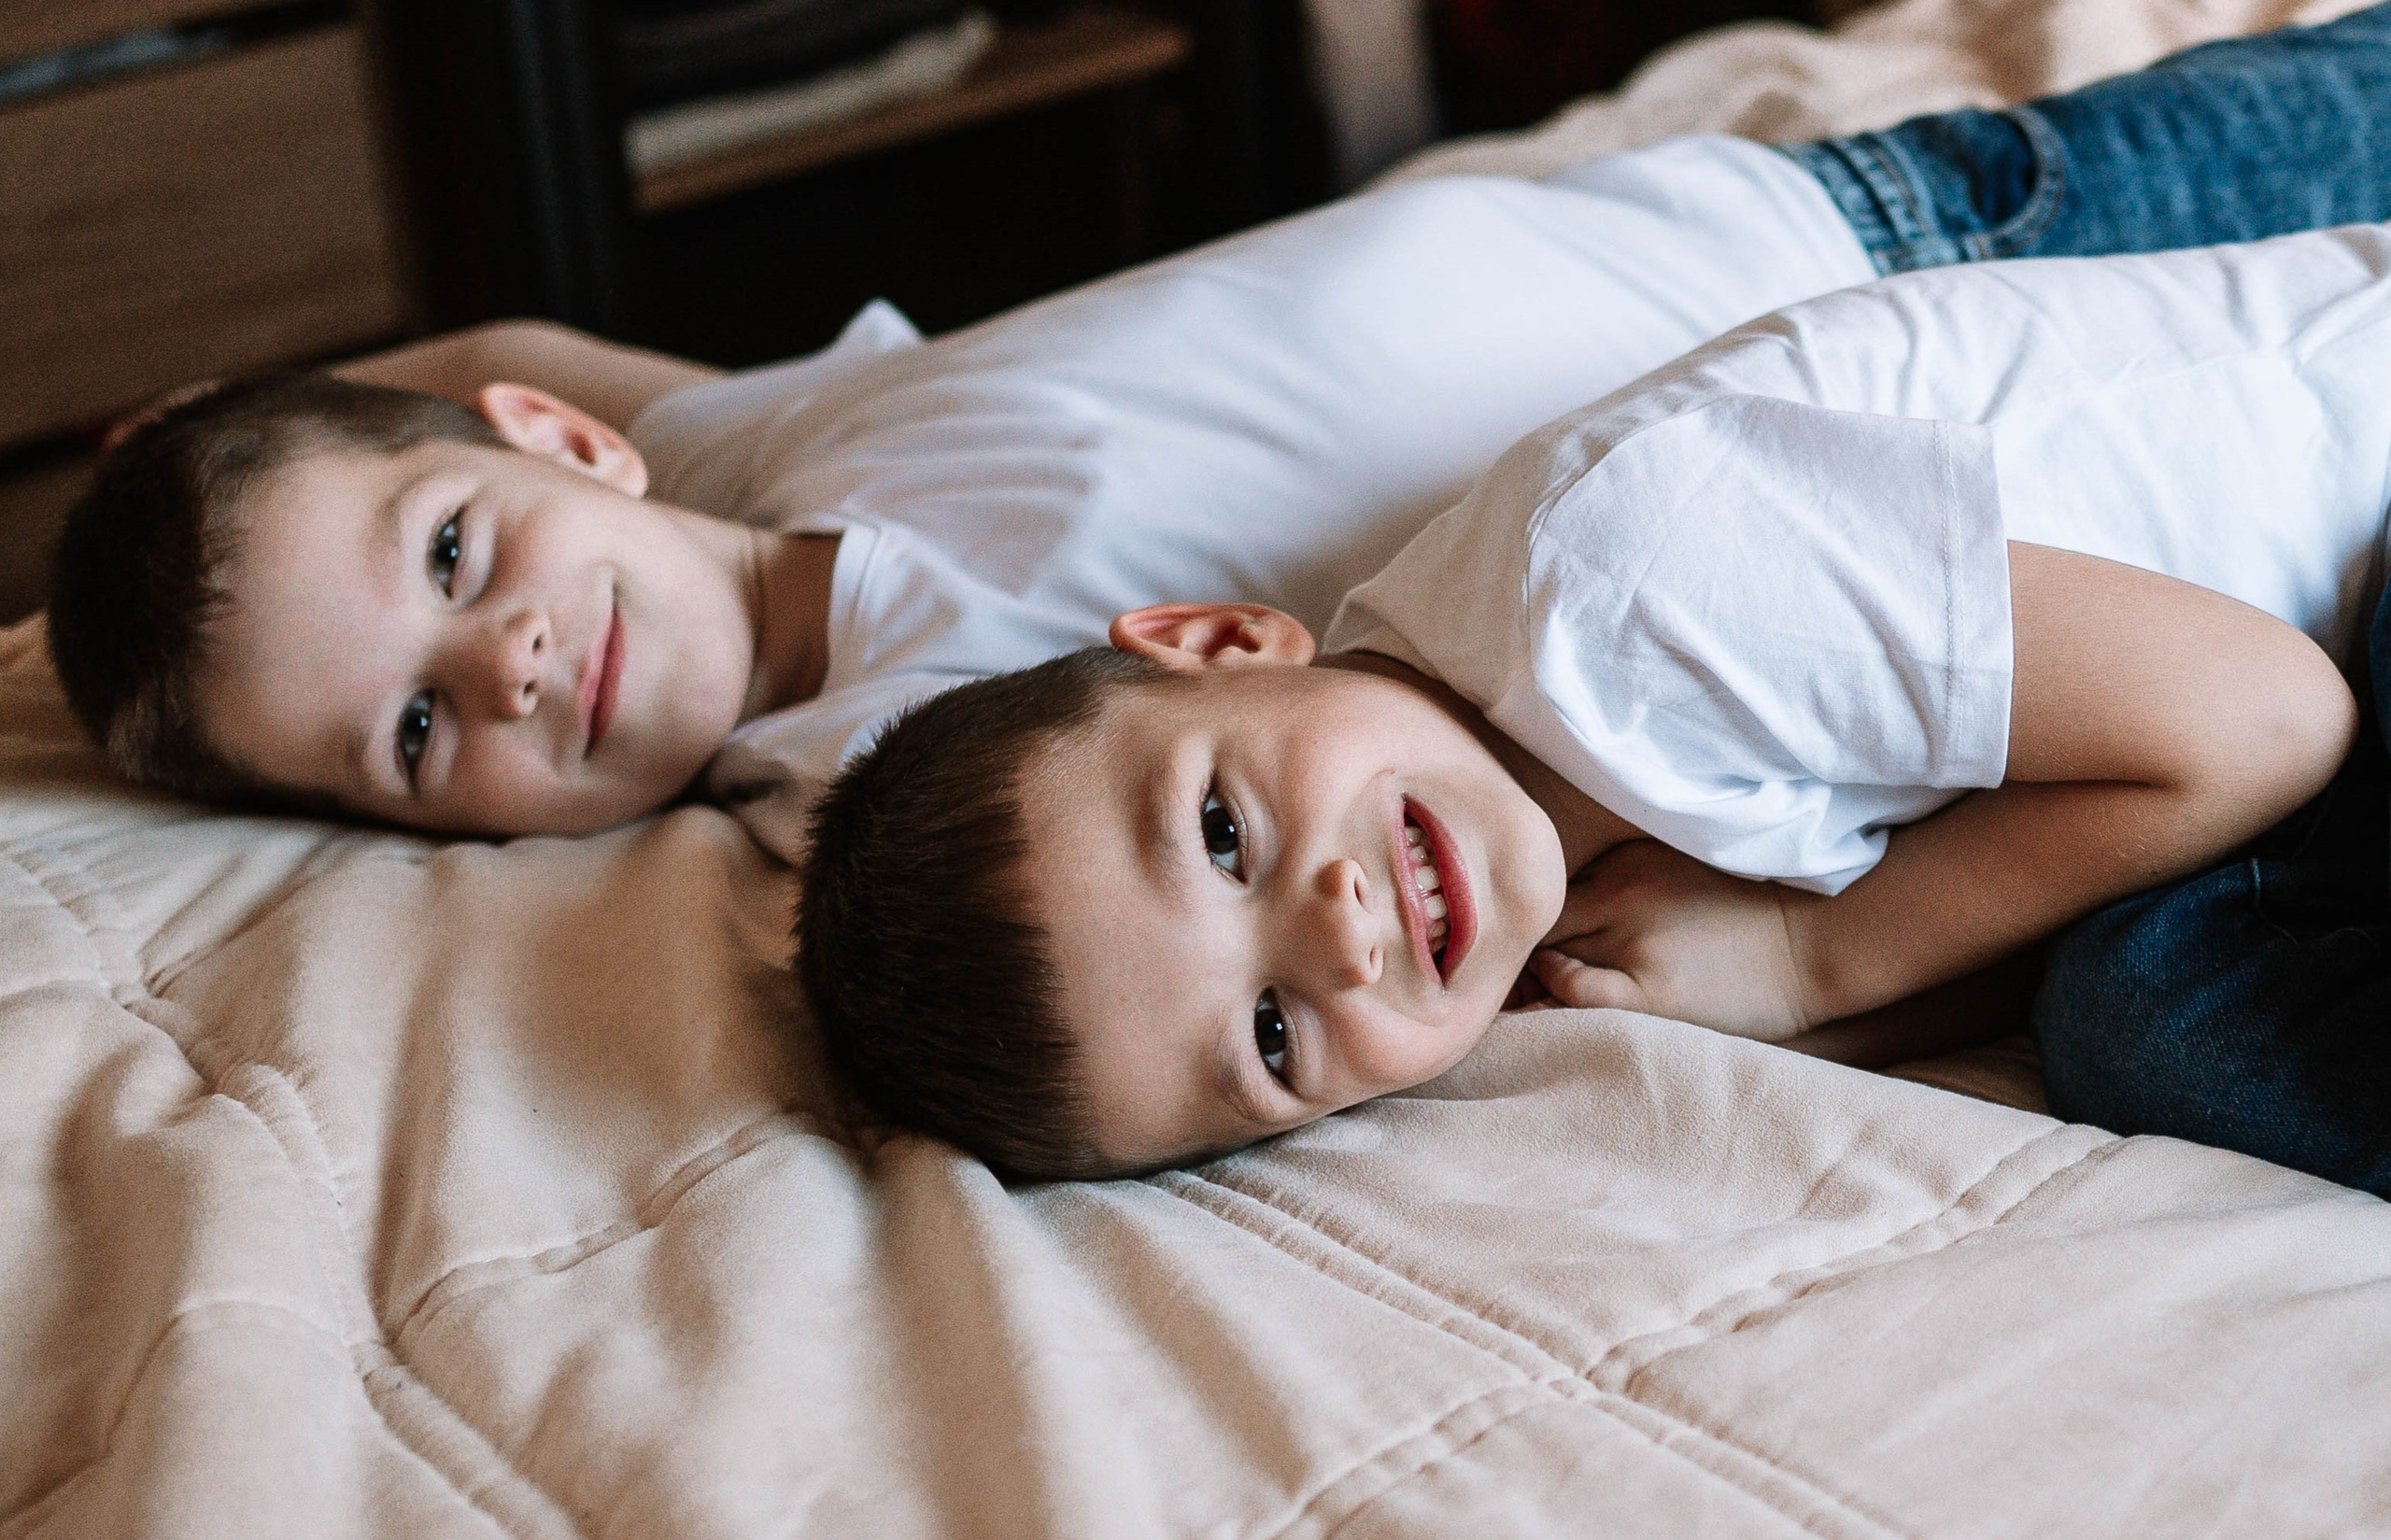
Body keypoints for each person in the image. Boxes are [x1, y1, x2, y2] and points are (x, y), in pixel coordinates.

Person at [44, 7, 2391, 862]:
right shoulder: (886, 784)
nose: (509, 666)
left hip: (1880, 213)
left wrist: (179, 452)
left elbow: (521, 338)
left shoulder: (771, 442)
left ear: (556, 445)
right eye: (412, 735)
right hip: (1966, 471)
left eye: (455, 559)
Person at [797, 220, 2391, 1182]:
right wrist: (1819, 998)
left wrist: (1814, 958)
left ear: (1224, 644)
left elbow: (2270, 723)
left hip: (2345, 536)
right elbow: (2012, 922)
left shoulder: (1636, 592)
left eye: (1221, 834)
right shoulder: (1534, 875)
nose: (1337, 933)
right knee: (2140, 1032)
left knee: (2174, 1042)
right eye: (1274, 1035)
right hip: (2258, 695)